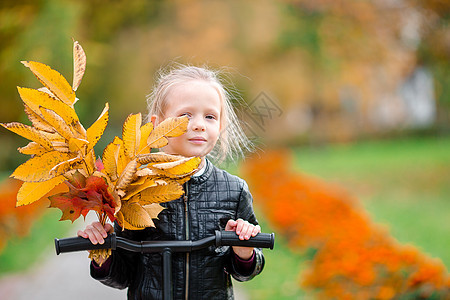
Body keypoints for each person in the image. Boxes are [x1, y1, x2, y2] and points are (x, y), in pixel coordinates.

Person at [77, 64, 265, 299]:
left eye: (210, 116)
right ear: (157, 125)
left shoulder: (234, 190)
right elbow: (122, 275)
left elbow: (246, 271)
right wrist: (103, 255)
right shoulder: (135, 189)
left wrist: (244, 253)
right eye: (186, 115)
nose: (199, 124)